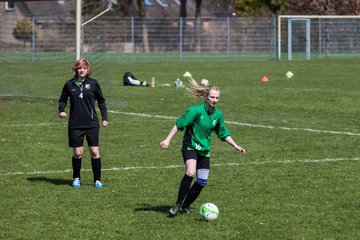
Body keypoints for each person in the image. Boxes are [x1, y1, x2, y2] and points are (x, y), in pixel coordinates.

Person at [160, 84, 246, 216]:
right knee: (190, 172)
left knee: (202, 181)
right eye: (212, 97)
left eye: (217, 98)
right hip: (191, 146)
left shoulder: (218, 114)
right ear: (206, 97)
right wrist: (167, 140)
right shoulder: (196, 110)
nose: (214, 100)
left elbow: (222, 132)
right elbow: (179, 124)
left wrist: (235, 145)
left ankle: (185, 205)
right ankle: (177, 205)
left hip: (204, 149)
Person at [58, 58, 108, 189]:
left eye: (84, 68)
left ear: (88, 69)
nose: (82, 70)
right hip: (75, 124)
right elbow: (62, 100)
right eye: (79, 68)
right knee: (78, 153)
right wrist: (61, 110)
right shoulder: (69, 85)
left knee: (94, 152)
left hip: (92, 123)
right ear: (76, 69)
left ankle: (97, 180)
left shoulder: (93, 84)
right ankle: (76, 178)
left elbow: (101, 101)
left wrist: (104, 117)